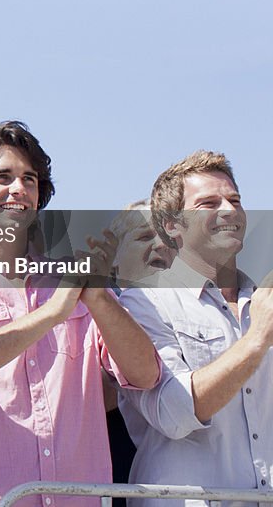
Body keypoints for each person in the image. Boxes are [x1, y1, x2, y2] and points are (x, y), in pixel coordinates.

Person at [0, 121, 161, 507]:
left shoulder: (74, 282)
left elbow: (145, 374)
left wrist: (98, 296)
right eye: (3, 177)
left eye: (30, 179)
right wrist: (51, 313)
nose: (19, 189)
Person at [118, 151, 273, 507]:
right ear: (170, 225)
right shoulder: (142, 305)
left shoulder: (265, 301)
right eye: (208, 203)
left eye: (235, 200)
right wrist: (256, 339)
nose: (229, 210)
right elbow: (173, 414)